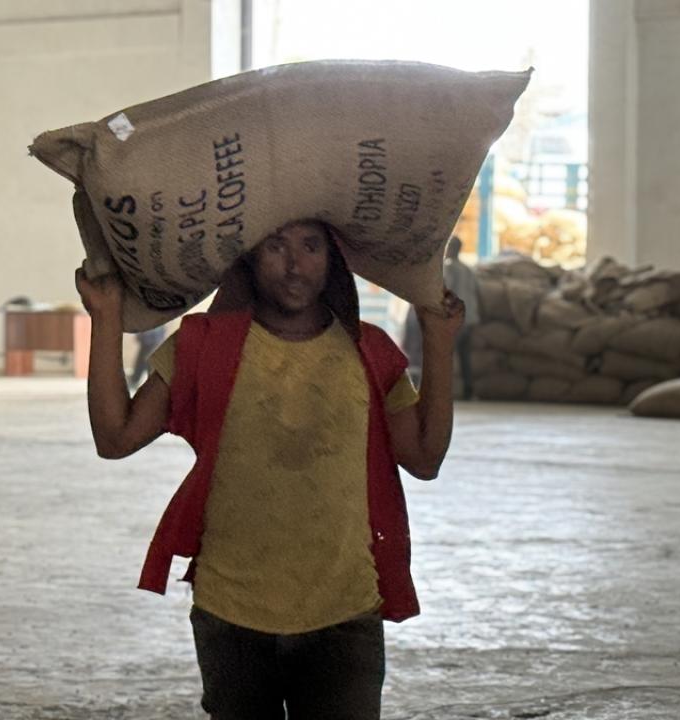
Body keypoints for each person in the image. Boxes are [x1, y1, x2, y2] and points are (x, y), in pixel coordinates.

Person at [75, 219, 463, 718]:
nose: (295, 264)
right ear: (250, 260)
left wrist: (440, 342)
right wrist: (104, 318)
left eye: (310, 246)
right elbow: (115, 437)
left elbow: (425, 459)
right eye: (275, 247)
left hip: (344, 611)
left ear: (333, 260)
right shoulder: (202, 345)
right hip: (230, 613)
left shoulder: (371, 352)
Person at [442, 235, 481, 399]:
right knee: (465, 357)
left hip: (457, 319)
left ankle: (444, 390)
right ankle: (468, 390)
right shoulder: (468, 269)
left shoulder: (449, 268)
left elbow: (446, 292)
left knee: (445, 355)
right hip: (471, 318)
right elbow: (477, 293)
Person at [127, 326, 168, 391]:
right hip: (152, 338)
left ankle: (138, 380)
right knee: (144, 359)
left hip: (152, 338)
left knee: (148, 361)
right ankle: (136, 379)